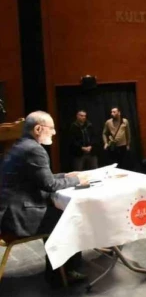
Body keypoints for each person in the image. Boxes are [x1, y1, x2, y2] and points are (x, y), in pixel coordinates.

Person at [0, 111, 89, 285]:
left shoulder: (20, 146)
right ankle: (65, 273)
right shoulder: (35, 149)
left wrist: (65, 175)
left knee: (59, 212)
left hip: (9, 212)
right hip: (16, 218)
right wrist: (77, 180)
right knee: (70, 216)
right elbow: (49, 185)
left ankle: (58, 271)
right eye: (51, 128)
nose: (54, 132)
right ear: (38, 129)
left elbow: (39, 178)